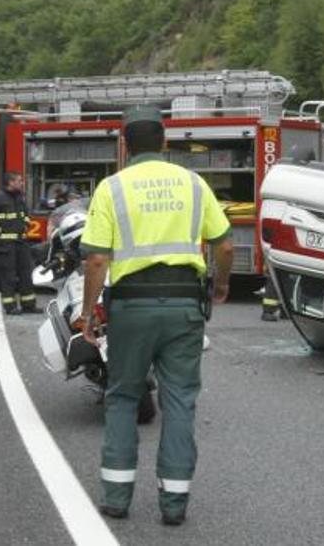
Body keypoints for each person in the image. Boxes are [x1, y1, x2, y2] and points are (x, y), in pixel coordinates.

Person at [78, 105, 233, 526]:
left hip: (130, 308)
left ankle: (116, 499)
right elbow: (224, 245)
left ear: (125, 146)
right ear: (164, 143)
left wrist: (89, 314)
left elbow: (95, 260)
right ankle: (174, 505)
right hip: (184, 307)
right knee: (180, 400)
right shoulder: (194, 184)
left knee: (124, 397)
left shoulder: (112, 188)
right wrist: (220, 285)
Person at [0, 172, 40, 315]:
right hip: (6, 244)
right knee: (9, 276)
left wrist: (25, 224)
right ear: (11, 182)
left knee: (26, 274)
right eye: (19, 181)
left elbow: (25, 213)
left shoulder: (19, 197)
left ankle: (28, 305)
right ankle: (10, 306)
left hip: (21, 242)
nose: (22, 183)